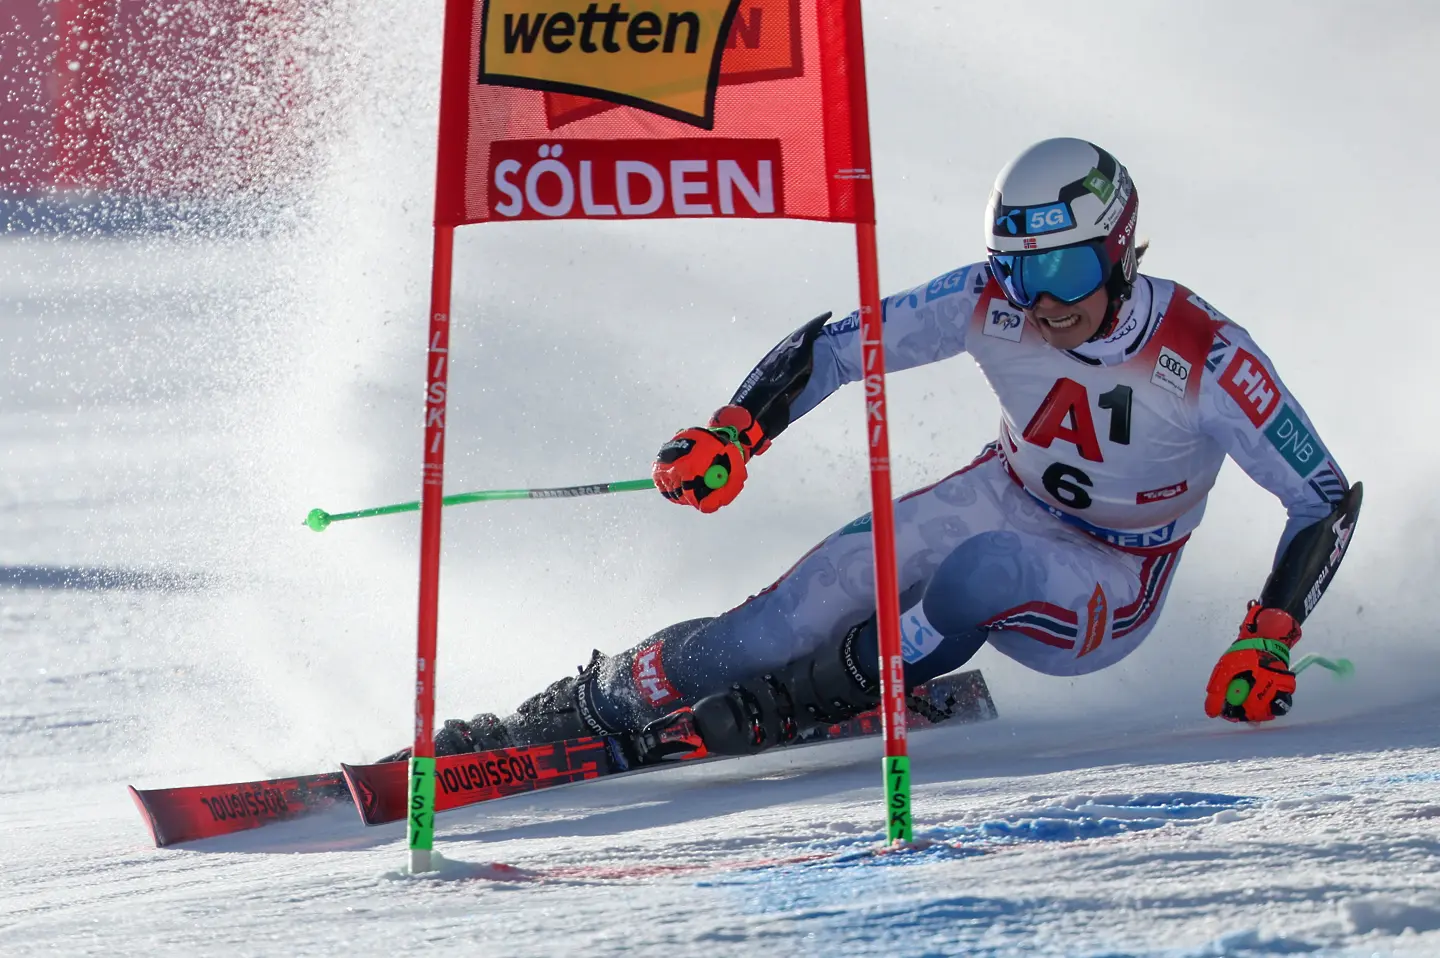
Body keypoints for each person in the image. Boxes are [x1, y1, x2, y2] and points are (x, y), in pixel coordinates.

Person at [427, 137, 1361, 761]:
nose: (1042, 303)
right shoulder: (989, 301)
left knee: (981, 572)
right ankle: (583, 705)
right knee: (764, 630)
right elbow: (835, 348)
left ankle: (810, 697)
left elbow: (1323, 497)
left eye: (1067, 269)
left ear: (1121, 251)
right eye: (1018, 272)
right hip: (1003, 491)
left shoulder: (1208, 355)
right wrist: (738, 427)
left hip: (1114, 580)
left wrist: (1270, 637)